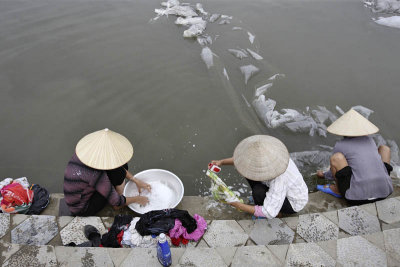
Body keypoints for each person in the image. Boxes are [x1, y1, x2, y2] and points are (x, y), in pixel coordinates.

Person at [212, 135, 308, 219]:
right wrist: (221, 162)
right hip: (282, 189)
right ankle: (260, 200)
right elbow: (243, 160)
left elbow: (269, 212)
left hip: (293, 202)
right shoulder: (274, 156)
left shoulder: (279, 178)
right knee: (247, 170)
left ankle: (279, 214)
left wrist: (237, 205)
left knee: (258, 192)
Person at [64, 128, 151, 216]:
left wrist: (135, 180)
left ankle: (119, 193)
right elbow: (116, 201)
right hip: (82, 208)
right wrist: (138, 199)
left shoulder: (83, 156)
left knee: (120, 167)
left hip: (81, 192)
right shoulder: (96, 175)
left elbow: (117, 167)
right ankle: (119, 201)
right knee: (117, 175)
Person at [316, 109, 393, 205]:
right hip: (385, 192)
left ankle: (338, 190)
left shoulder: (340, 145)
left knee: (337, 158)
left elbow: (334, 171)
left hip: (356, 198)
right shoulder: (370, 141)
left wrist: (323, 175)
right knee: (384, 149)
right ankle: (383, 181)